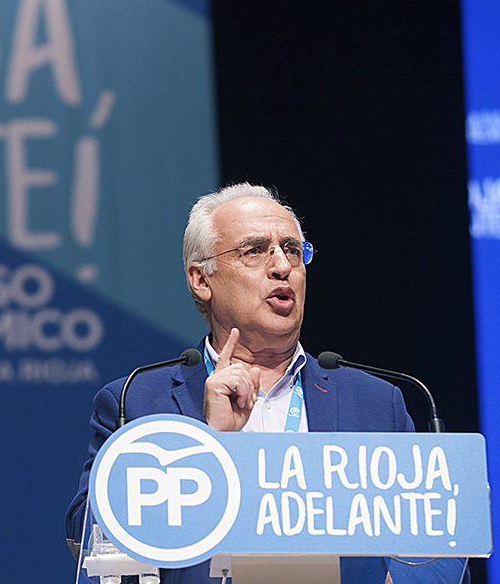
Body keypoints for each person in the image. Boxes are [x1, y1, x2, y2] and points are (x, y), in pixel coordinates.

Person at [65, 183, 468, 583]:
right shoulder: (134, 404)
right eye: (255, 250)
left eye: (292, 250)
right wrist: (210, 446)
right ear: (201, 279)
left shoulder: (378, 403)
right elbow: (95, 551)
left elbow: (433, 555)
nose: (282, 266)